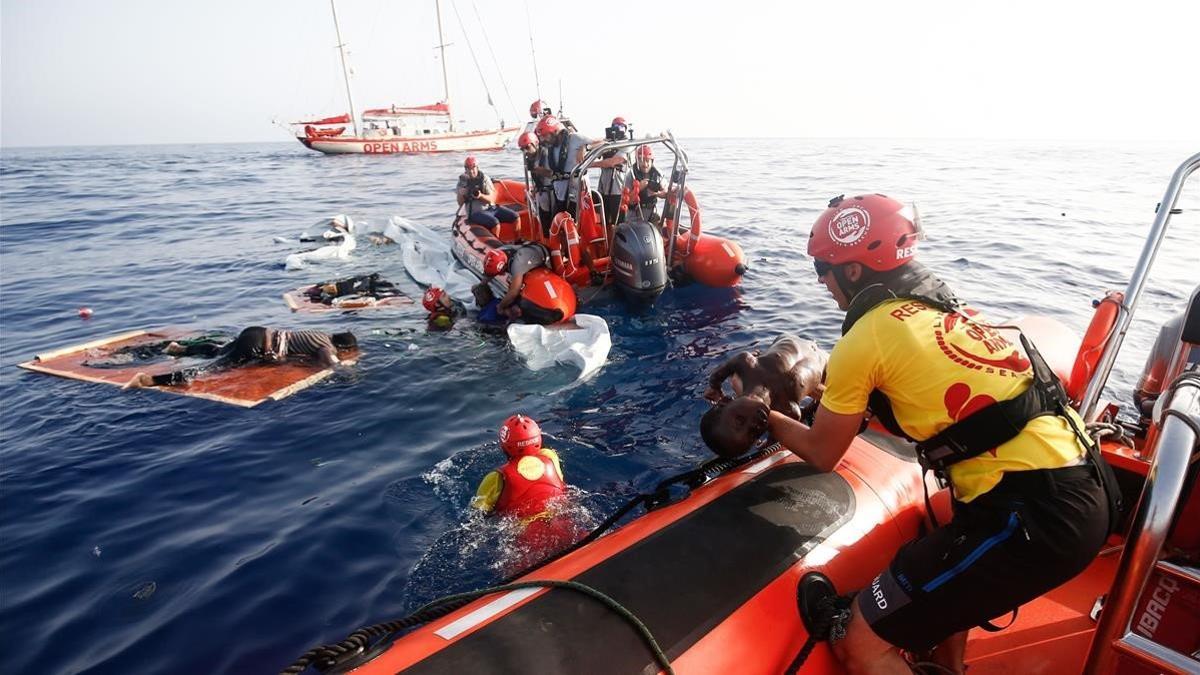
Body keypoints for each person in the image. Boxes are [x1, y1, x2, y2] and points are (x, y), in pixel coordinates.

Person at [766, 194, 1115, 674]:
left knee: (859, 641)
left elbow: (822, 452)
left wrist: (764, 414)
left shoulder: (863, 338)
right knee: (946, 549)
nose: (821, 282)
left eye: (822, 269)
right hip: (1082, 488)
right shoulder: (948, 312)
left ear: (852, 272)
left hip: (1033, 517)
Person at [472, 415, 576, 569]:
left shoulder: (495, 477)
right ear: (538, 440)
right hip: (561, 521)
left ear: (504, 446)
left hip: (527, 536)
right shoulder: (550, 457)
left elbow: (478, 516)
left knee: (518, 573)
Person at [700, 336, 828, 458]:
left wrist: (714, 386)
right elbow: (799, 416)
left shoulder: (746, 364)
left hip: (790, 340)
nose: (754, 424)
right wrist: (770, 443)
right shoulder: (789, 409)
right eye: (753, 433)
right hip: (823, 360)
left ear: (725, 401)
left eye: (740, 420)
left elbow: (723, 370)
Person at [124, 327, 357, 388]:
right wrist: (354, 376)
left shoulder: (318, 333)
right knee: (214, 369)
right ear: (342, 346)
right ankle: (150, 380)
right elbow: (333, 367)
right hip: (256, 346)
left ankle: (179, 349)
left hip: (257, 331)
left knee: (218, 350)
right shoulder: (327, 346)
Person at [535, 115, 592, 221]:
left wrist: (584, 147)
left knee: (576, 222)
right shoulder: (550, 148)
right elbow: (552, 172)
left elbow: (601, 142)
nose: (544, 139)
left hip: (577, 191)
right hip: (560, 192)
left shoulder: (575, 138)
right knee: (558, 221)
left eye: (546, 135)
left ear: (555, 131)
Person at [483, 244, 549, 319]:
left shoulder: (516, 265)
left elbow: (513, 292)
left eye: (500, 273)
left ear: (504, 266)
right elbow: (489, 272)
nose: (501, 275)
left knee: (516, 308)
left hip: (542, 256)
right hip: (529, 250)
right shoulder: (500, 252)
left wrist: (500, 307)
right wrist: (482, 284)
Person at [456, 156, 518, 233]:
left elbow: (491, 199)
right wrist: (462, 194)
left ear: (477, 167)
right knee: (495, 223)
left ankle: (517, 240)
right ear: (465, 169)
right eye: (468, 169)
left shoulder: (484, 179)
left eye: (473, 168)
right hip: (475, 212)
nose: (471, 171)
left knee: (515, 216)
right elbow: (460, 203)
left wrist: (480, 196)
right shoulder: (462, 181)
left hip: (490, 208)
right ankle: (496, 243)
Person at [595, 117, 634, 226]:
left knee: (619, 221)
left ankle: (618, 239)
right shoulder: (607, 145)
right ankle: (607, 238)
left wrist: (590, 165)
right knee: (605, 218)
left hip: (618, 189)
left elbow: (611, 162)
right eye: (615, 127)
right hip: (604, 188)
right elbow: (594, 150)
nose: (618, 129)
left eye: (621, 127)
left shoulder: (627, 146)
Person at [519, 131, 554, 238]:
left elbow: (552, 174)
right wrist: (535, 190)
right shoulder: (531, 159)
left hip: (552, 192)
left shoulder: (546, 154)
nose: (526, 151)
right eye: (523, 148)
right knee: (544, 220)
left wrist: (536, 170)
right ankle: (546, 238)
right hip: (541, 192)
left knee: (551, 219)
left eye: (528, 147)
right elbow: (537, 179)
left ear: (535, 143)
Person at [303, 272, 401, 305]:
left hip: (369, 284)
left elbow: (364, 277)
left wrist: (363, 286)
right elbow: (329, 300)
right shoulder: (337, 295)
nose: (330, 287)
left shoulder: (343, 282)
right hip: (366, 291)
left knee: (380, 282)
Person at [630, 145, 667, 223]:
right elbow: (626, 200)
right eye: (641, 160)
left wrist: (656, 193)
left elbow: (666, 194)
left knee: (659, 225)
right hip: (634, 214)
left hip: (651, 212)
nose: (645, 164)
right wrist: (638, 189)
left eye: (647, 161)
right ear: (637, 161)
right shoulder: (630, 175)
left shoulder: (658, 174)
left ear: (652, 161)